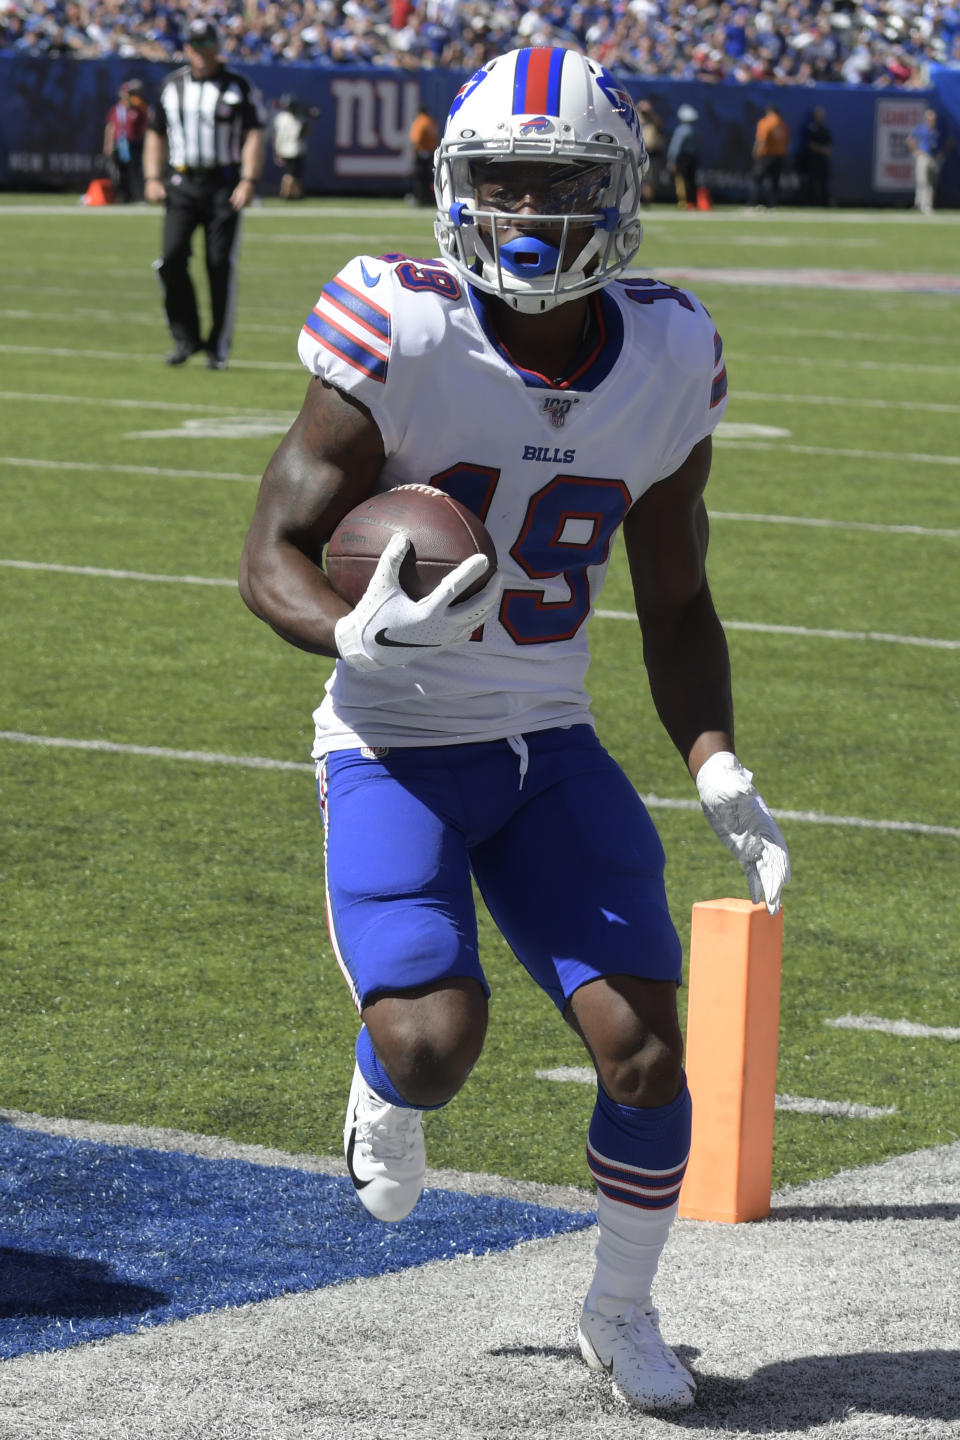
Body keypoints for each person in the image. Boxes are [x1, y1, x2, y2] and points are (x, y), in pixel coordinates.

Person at [239, 46, 789, 1415]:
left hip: (548, 739)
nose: (528, 211)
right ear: (454, 189)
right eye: (503, 182)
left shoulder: (666, 353)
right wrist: (344, 631)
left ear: (621, 194)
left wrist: (715, 758)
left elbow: (677, 593)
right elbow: (272, 550)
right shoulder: (402, 328)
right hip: (393, 741)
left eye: (560, 182)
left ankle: (621, 1312)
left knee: (648, 1050)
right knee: (433, 1042)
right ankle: (383, 1084)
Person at [143, 19, 267, 370]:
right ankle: (185, 337)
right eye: (195, 45)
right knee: (170, 258)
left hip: (224, 185)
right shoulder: (172, 86)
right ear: (187, 48)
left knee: (218, 265)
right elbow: (156, 133)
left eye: (207, 44)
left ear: (217, 46)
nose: (201, 52)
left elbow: (255, 133)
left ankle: (218, 346)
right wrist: (152, 177)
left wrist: (248, 180)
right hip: (182, 184)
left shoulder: (237, 86)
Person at [103, 79, 149, 203]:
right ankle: (123, 197)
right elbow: (111, 127)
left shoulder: (139, 109)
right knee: (120, 172)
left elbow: (145, 127)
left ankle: (139, 196)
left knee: (135, 171)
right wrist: (108, 143)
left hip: (133, 143)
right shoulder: (117, 109)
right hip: (119, 144)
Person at [906, 107, 951, 216]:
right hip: (924, 157)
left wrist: (942, 154)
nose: (931, 119)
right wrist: (917, 151)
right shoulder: (921, 128)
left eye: (933, 117)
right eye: (929, 117)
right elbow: (910, 139)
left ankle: (927, 205)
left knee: (931, 183)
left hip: (935, 157)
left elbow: (950, 141)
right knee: (922, 181)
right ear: (926, 118)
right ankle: (919, 204)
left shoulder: (939, 129)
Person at [273, 93, 318, 201]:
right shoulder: (297, 118)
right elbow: (301, 134)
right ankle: (286, 193)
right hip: (295, 149)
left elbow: (276, 136)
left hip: (283, 149)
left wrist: (276, 151)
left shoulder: (280, 117)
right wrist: (311, 119)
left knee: (292, 173)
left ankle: (295, 193)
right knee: (292, 174)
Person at [751, 104, 791, 209]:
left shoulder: (765, 122)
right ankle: (773, 204)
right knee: (775, 182)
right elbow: (787, 140)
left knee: (757, 179)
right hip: (780, 156)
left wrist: (756, 153)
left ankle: (753, 203)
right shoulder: (782, 124)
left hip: (766, 155)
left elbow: (761, 140)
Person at [796, 106, 832, 207]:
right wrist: (822, 150)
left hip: (823, 160)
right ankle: (811, 202)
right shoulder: (810, 128)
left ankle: (824, 202)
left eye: (822, 115)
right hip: (812, 160)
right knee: (811, 182)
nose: (821, 117)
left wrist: (827, 150)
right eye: (819, 115)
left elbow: (830, 143)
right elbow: (809, 144)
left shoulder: (825, 129)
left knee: (824, 182)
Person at [665, 103, 699, 209]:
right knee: (688, 180)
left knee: (683, 181)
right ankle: (689, 201)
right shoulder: (691, 130)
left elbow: (675, 147)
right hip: (688, 159)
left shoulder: (681, 130)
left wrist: (671, 160)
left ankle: (685, 202)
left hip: (684, 159)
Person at [407, 103, 440, 207]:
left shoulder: (420, 122)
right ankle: (429, 199)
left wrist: (414, 153)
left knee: (419, 179)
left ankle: (421, 199)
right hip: (431, 153)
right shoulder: (431, 122)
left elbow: (416, 140)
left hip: (421, 154)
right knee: (429, 178)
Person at [637, 98, 665, 206]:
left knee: (651, 179)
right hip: (640, 152)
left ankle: (647, 201)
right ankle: (642, 200)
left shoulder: (653, 121)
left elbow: (660, 125)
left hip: (652, 153)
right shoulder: (637, 120)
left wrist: (650, 113)